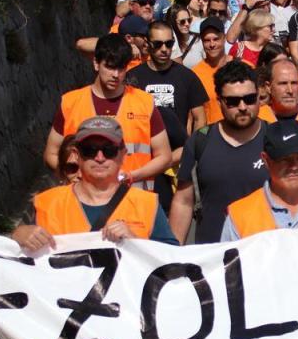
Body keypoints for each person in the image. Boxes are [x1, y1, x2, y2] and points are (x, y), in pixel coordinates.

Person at [14, 117, 178, 252]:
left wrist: (134, 241)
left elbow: (171, 260)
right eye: (90, 150)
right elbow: (9, 260)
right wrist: (18, 236)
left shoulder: (146, 204)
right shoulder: (48, 203)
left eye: (109, 150)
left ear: (122, 155)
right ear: (77, 155)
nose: (100, 157)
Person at [45, 34, 171, 191]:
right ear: (96, 64)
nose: (116, 75)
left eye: (121, 68)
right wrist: (73, 174)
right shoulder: (71, 103)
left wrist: (132, 176)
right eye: (110, 67)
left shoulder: (144, 103)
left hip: (133, 202)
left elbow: (164, 156)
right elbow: (51, 153)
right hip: (83, 203)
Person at [169, 61, 271, 244]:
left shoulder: (273, 138)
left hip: (262, 254)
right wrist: (172, 254)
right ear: (220, 102)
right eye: (233, 101)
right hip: (213, 257)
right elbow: (183, 201)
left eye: (249, 99)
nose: (242, 106)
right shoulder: (200, 141)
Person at [126, 21, 209, 134]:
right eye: (157, 44)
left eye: (169, 43)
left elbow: (200, 119)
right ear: (147, 43)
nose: (164, 49)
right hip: (144, 147)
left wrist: (194, 148)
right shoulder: (133, 77)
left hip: (179, 149)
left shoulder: (187, 76)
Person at [191, 17, 233, 124]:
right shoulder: (195, 74)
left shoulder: (241, 67)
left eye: (216, 39)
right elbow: (192, 117)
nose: (212, 44)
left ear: (224, 38)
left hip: (239, 134)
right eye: (207, 40)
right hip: (210, 135)